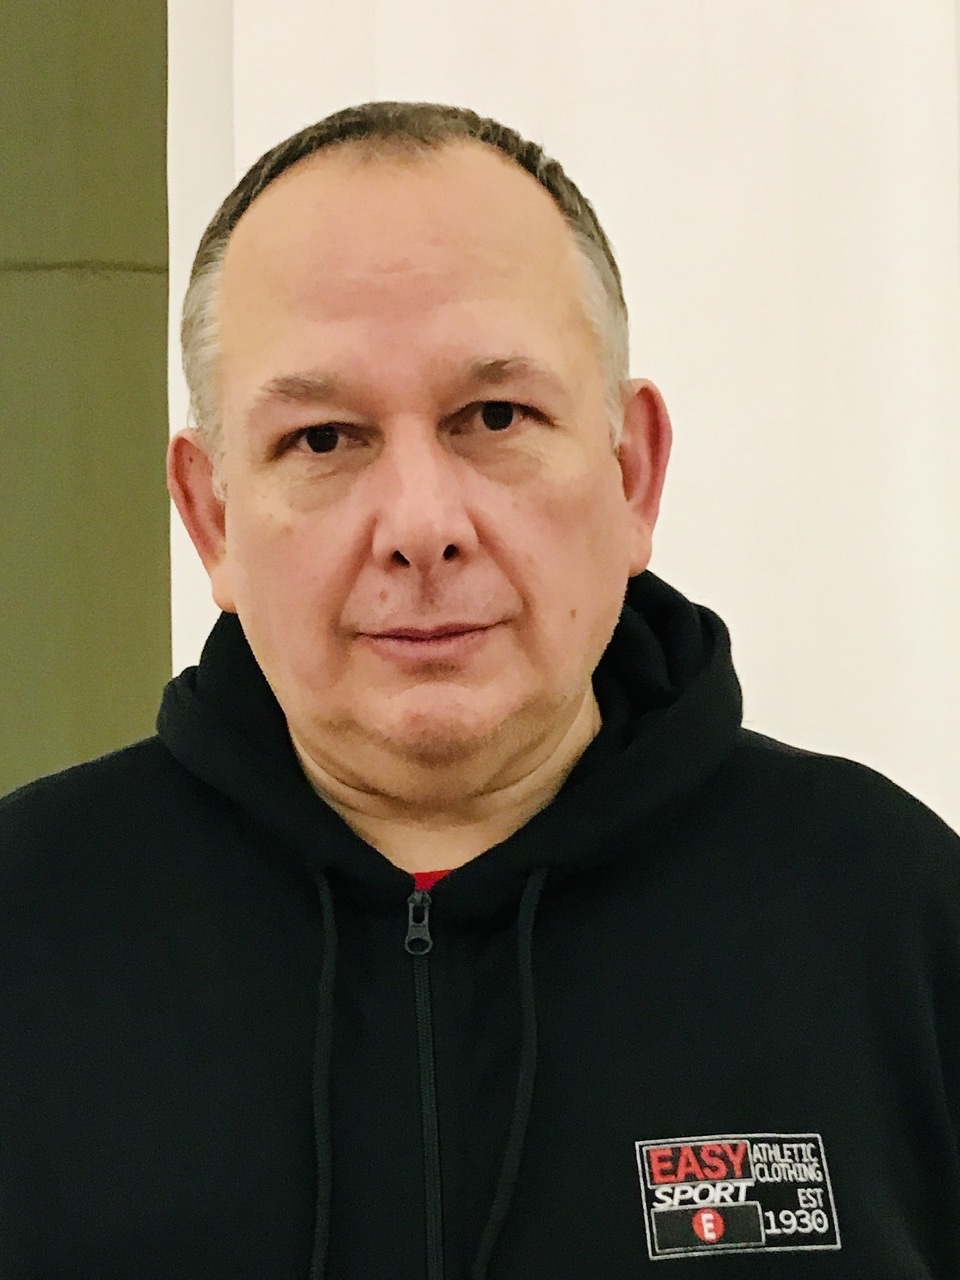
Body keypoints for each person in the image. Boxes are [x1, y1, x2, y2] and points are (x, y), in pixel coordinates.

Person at [1, 101, 958, 1280]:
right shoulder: (28, 926)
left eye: (495, 416)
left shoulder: (894, 917)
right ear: (211, 515)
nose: (421, 524)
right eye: (323, 438)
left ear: (632, 472)